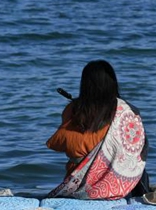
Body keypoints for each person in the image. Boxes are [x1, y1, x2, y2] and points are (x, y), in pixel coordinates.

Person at [46, 60, 149, 200]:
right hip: (122, 187)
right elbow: (140, 148)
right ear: (113, 83)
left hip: (78, 186)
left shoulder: (72, 110)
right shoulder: (127, 111)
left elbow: (57, 143)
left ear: (84, 85)